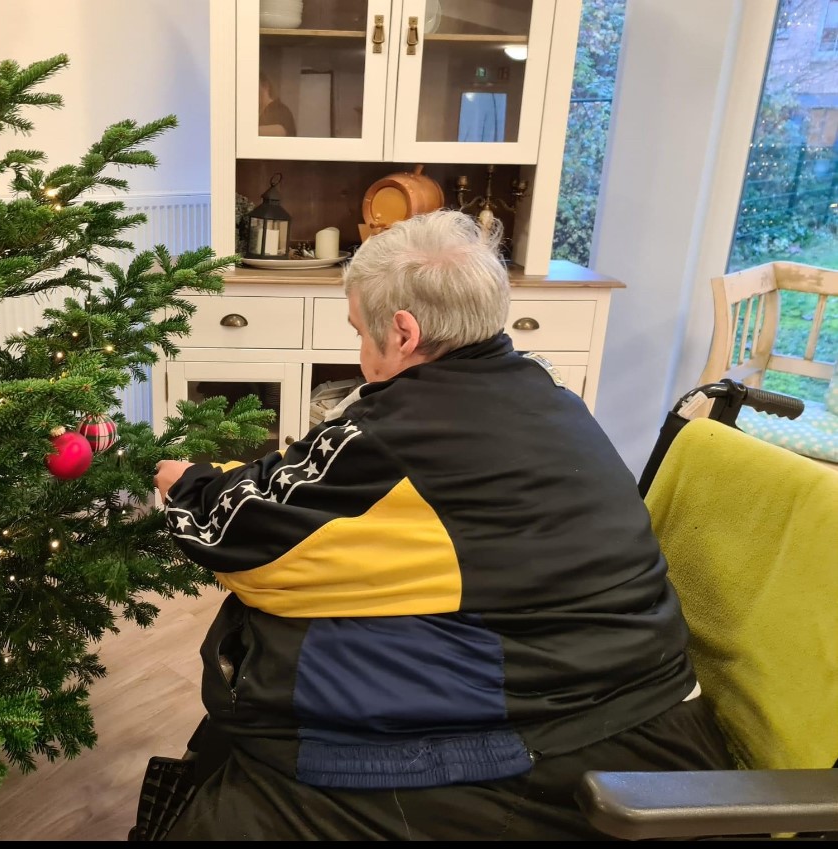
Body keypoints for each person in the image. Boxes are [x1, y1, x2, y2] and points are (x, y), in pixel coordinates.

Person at [152, 210, 734, 840]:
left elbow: (241, 542)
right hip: (645, 709)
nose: (360, 354)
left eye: (359, 333)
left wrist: (181, 478)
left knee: (245, 765)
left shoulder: (401, 430)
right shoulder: (549, 394)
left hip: (570, 755)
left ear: (403, 331)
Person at [259, 72, 297, 137]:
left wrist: (245, 130)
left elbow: (280, 131)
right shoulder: (261, 111)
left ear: (265, 86)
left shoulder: (279, 109)